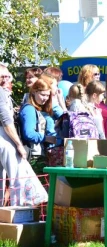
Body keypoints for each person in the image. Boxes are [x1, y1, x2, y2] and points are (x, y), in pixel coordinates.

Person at [0, 65, 28, 204]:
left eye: (7, 76)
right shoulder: (0, 93)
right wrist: (19, 145)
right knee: (17, 179)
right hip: (3, 140)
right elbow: (6, 122)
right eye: (2, 77)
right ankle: (18, 214)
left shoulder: (4, 93)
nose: (5, 80)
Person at [18, 79, 54, 158]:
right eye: (43, 95)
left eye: (47, 95)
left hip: (36, 154)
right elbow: (29, 134)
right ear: (34, 92)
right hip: (33, 156)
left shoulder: (35, 109)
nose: (45, 98)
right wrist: (47, 138)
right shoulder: (29, 109)